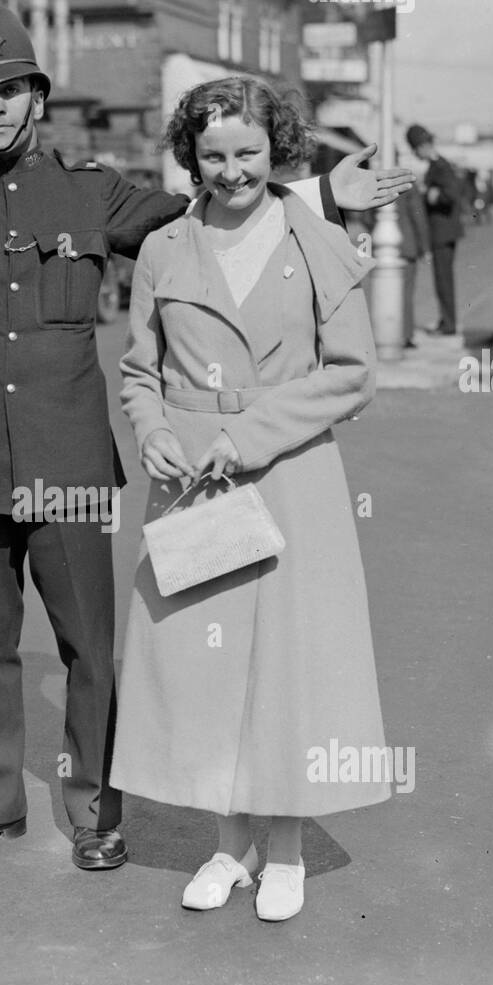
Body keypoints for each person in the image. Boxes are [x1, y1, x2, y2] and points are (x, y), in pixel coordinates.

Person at [0, 2, 411, 872]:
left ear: (37, 96)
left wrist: (318, 194)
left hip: (70, 458)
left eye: (11, 90)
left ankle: (92, 808)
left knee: (88, 642)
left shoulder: (94, 192)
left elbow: (217, 215)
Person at [111, 77, 389, 922]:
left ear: (280, 150)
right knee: (206, 668)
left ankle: (289, 852)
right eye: (214, 155)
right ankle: (228, 847)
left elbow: (353, 373)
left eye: (248, 153)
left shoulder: (317, 242)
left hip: (290, 472)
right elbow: (137, 369)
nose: (232, 172)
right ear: (190, 158)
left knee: (288, 669)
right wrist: (152, 427)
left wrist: (250, 435)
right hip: (194, 479)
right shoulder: (164, 249)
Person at [406, 123, 462, 336]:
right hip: (444, 231)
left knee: (443, 280)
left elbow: (452, 194)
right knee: (442, 279)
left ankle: (449, 325)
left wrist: (433, 195)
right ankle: (446, 321)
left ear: (422, 146)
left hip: (443, 232)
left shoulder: (440, 166)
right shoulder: (436, 165)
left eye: (416, 149)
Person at [396, 154, 432, 349]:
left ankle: (386, 331)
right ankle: (405, 335)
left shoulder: (373, 181)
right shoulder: (407, 182)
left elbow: (367, 217)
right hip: (406, 245)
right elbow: (418, 217)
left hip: (382, 246)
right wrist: (425, 247)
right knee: (406, 292)